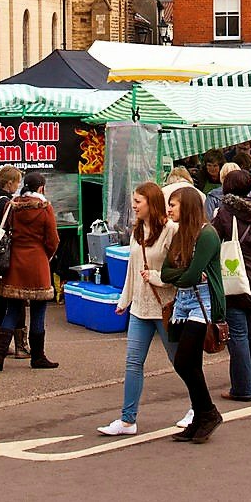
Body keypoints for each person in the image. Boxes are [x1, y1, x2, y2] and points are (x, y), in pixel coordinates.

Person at [100, 182, 179, 435]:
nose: (133, 206)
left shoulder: (171, 230)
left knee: (180, 361)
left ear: (151, 203)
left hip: (165, 305)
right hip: (140, 308)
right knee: (133, 362)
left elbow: (178, 270)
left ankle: (197, 407)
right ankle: (127, 420)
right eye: (133, 201)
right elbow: (133, 270)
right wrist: (124, 300)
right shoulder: (137, 231)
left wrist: (156, 277)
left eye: (138, 201)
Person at [149, 185, 226, 444]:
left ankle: (208, 413)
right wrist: (183, 275)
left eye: (174, 204)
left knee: (183, 361)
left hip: (203, 303)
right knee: (189, 364)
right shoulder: (181, 234)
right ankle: (202, 415)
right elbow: (168, 271)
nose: (169, 209)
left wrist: (182, 275)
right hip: (182, 302)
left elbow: (189, 275)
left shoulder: (207, 235)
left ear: (189, 206)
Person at [210, 169, 251, 403]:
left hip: (235, 276)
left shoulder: (225, 213)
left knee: (238, 336)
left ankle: (243, 388)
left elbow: (213, 239)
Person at [0, 172, 60, 371]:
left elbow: (4, 231)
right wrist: (44, 255)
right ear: (41, 188)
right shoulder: (46, 208)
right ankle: (38, 357)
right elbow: (53, 240)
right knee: (38, 312)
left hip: (15, 263)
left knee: (12, 310)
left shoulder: (11, 206)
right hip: (38, 263)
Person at [0, 166, 30, 361]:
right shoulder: (8, 203)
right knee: (17, 301)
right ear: (10, 183)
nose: (18, 185)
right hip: (8, 255)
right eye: (17, 182)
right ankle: (21, 346)